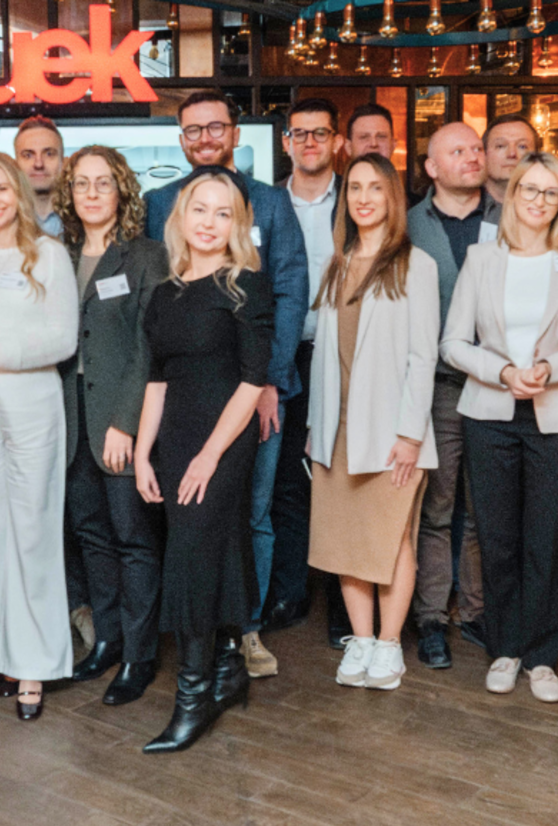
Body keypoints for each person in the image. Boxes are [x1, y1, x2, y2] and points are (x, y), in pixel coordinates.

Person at [143, 91, 310, 681]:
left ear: (236, 133)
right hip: (188, 396)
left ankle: (247, 631)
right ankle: (214, 646)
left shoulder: (271, 201)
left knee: (252, 514)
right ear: (181, 140)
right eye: (193, 130)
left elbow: (289, 289)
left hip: (253, 388)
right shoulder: (159, 202)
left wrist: (266, 379)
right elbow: (165, 298)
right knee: (201, 521)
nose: (206, 138)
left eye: (216, 126)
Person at [441, 152, 558, 705]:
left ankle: (541, 656)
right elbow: (452, 343)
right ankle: (505, 649)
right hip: (489, 414)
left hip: (556, 417)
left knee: (544, 539)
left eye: (551, 192)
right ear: (512, 194)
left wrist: (549, 369)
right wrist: (504, 372)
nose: (539, 201)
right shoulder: (481, 258)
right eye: (530, 189)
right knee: (496, 540)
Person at [135, 170, 275, 753]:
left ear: (236, 224)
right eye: (200, 209)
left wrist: (210, 457)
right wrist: (142, 453)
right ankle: (226, 666)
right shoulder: (165, 292)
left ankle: (191, 698)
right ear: (181, 217)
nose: (210, 222)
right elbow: (157, 379)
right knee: (214, 548)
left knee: (191, 557)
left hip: (223, 439)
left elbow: (252, 382)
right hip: (174, 439)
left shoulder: (246, 286)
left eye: (223, 213)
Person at [0, 152, 81, 720]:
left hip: (31, 403)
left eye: (1, 189)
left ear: (19, 193)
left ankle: (36, 664)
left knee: (32, 531)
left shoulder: (48, 254)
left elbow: (64, 339)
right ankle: (4, 651)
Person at [310, 154, 441, 691]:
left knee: (391, 540)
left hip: (391, 434)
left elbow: (423, 357)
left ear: (393, 197)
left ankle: (388, 645)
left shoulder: (416, 265)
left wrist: (410, 435)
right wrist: (315, 428)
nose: (363, 198)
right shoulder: (337, 263)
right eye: (355, 189)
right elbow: (324, 358)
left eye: (375, 188)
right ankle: (360, 641)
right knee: (346, 542)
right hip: (336, 432)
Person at [56, 146, 172, 706]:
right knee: (91, 535)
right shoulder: (58, 254)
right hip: (70, 417)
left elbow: (151, 347)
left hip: (119, 420)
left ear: (123, 189)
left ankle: (139, 655)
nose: (92, 193)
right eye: (82, 183)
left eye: (104, 182)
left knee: (133, 539)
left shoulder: (146, 256)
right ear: (69, 193)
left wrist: (126, 424)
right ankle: (107, 639)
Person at [406, 121, 499, 669]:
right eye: (457, 150)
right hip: (439, 388)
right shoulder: (409, 225)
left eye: (476, 148)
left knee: (485, 508)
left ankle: (477, 611)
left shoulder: (510, 217)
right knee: (437, 509)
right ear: (432, 168)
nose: (472, 157)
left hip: (497, 388)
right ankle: (432, 618)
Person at [271, 97, 345, 642]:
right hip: (287, 355)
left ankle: (346, 604)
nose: (310, 142)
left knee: (342, 477)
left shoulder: (358, 199)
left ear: (337, 141)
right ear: (286, 143)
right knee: (286, 479)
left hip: (346, 355)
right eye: (300, 134)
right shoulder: (268, 205)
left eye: (321, 133)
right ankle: (290, 590)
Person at [13, 116, 67, 236]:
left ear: (62, 161)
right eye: (28, 155)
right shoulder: (2, 221)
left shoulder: (83, 220)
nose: (38, 164)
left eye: (49, 154)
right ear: (16, 163)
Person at [482, 113, 539, 205]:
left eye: (522, 146)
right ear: (484, 154)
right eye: (500, 146)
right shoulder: (464, 208)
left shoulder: (550, 207)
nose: (512, 154)